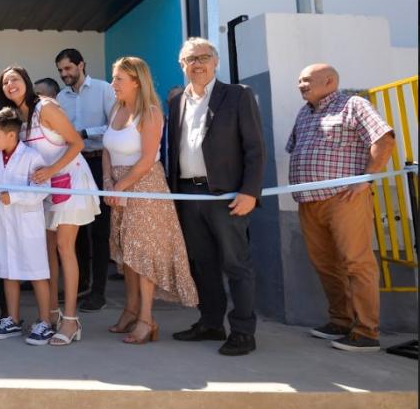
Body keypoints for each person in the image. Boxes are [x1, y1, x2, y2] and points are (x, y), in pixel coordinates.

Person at [287, 63, 395, 353]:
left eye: (307, 80)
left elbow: (384, 139)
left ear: (330, 81)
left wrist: (366, 178)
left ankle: (366, 331)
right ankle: (340, 320)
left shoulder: (353, 104)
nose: (301, 85)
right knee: (325, 264)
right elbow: (296, 149)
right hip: (309, 201)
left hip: (344, 198)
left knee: (356, 262)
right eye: (299, 81)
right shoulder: (304, 113)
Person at [168, 37, 265, 357]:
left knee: (236, 264)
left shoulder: (238, 95)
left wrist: (250, 192)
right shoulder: (177, 100)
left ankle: (242, 331)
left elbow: (254, 148)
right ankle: (211, 323)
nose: (197, 64)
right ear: (182, 66)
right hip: (187, 193)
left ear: (216, 61)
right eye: (190, 59)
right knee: (203, 264)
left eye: (203, 57)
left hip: (227, 195)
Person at [0, 65, 100, 346]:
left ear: (26, 82)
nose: (10, 85)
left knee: (65, 248)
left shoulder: (46, 108)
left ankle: (70, 320)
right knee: (48, 250)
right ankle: (52, 313)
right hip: (45, 189)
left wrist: (52, 169)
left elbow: (77, 143)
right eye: (5, 82)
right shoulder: (16, 116)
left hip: (70, 182)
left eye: (14, 79)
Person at [103, 56, 198, 345]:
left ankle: (147, 320)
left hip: (144, 188)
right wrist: (108, 182)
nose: (113, 84)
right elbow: (107, 149)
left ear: (136, 80)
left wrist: (120, 186)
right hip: (119, 189)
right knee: (128, 255)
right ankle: (131, 310)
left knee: (143, 255)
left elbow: (146, 160)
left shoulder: (151, 113)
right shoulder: (116, 109)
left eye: (118, 78)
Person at [0, 107, 55, 345]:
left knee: (37, 273)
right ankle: (12, 319)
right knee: (8, 272)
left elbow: (43, 190)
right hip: (4, 226)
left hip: (27, 226)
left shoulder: (32, 157)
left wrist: (14, 196)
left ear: (11, 135)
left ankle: (45, 322)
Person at [55, 48, 117, 313]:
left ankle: (99, 292)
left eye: (68, 69)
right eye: (60, 71)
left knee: (100, 229)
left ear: (82, 65)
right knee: (75, 227)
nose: (64, 75)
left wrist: (84, 132)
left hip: (99, 160)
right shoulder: (60, 97)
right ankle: (79, 285)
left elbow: (115, 126)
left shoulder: (104, 89)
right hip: (74, 165)